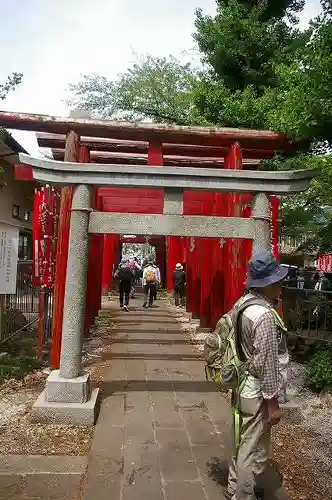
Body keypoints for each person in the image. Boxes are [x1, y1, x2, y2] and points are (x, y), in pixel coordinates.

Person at [224, 251, 289, 500]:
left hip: (241, 382)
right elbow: (267, 363)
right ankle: (243, 494)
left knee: (240, 438)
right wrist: (273, 402)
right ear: (270, 284)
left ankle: (234, 487)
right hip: (256, 387)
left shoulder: (243, 304)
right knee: (250, 447)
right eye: (278, 281)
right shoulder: (263, 316)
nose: (281, 285)